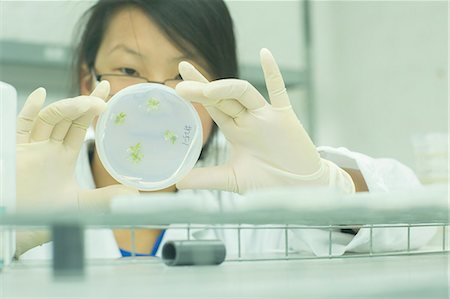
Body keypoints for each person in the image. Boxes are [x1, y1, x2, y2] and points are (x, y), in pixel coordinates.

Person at [15, 0, 434, 259]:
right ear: (88, 81)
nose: (156, 98)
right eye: (128, 69)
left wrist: (325, 188)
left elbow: (424, 223)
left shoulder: (253, 196)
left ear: (218, 91)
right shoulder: (35, 189)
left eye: (182, 75)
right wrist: (10, 232)